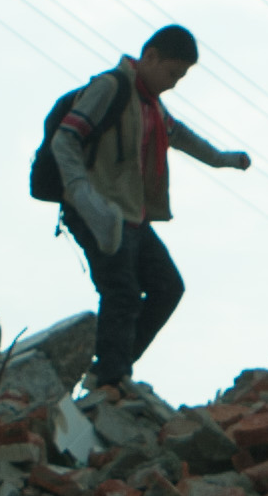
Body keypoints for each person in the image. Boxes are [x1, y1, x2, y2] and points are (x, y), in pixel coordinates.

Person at [42, 24, 251, 397]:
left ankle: (109, 367)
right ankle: (110, 379)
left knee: (167, 287)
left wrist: (223, 159)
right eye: (172, 73)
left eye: (180, 77)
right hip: (98, 210)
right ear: (150, 57)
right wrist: (83, 194)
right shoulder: (111, 88)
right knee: (121, 290)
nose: (173, 83)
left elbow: (179, 134)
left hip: (131, 215)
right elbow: (66, 137)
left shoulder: (150, 105)